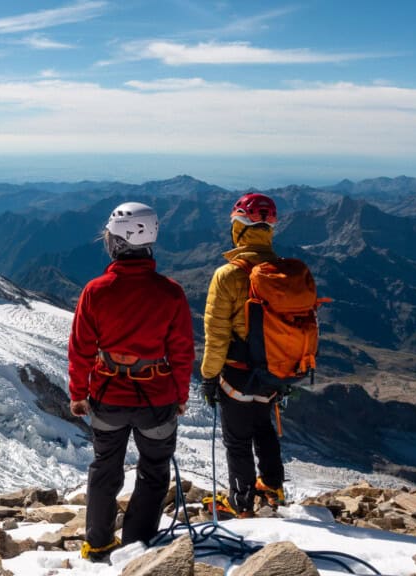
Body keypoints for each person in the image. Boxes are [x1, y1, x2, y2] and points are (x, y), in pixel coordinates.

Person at [68, 202, 195, 562]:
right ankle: (137, 547)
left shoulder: (96, 291)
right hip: (157, 398)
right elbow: (183, 353)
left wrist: (78, 394)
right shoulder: (170, 293)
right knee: (154, 471)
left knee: (105, 467)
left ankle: (97, 544)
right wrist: (180, 396)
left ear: (116, 241)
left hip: (108, 395)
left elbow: (80, 350)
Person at [200, 192, 287, 518]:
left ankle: (240, 502)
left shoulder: (229, 275)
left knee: (237, 439)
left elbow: (217, 335)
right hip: (275, 370)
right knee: (263, 426)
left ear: (239, 228)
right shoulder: (282, 272)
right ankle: (273, 485)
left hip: (237, 372)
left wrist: (209, 376)